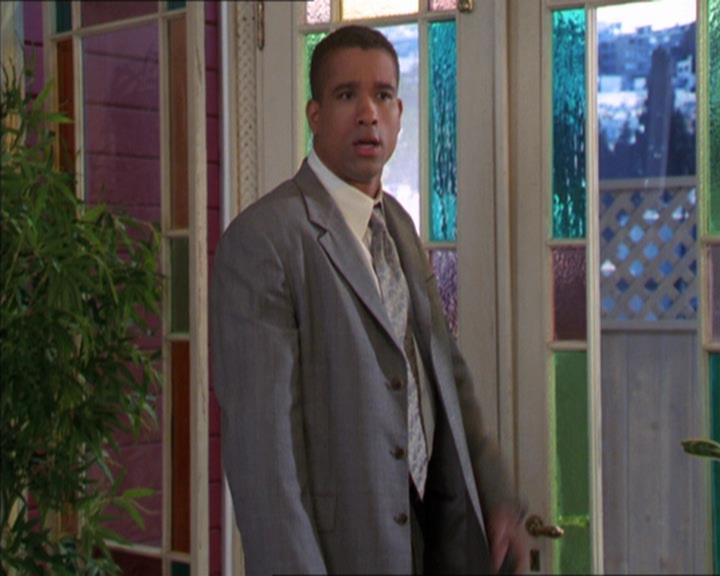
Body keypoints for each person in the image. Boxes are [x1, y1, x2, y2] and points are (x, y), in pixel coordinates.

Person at [211, 25, 528, 575]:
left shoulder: (398, 224)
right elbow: (266, 463)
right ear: (314, 115)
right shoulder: (265, 240)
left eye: (382, 95)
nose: (368, 114)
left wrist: (496, 493)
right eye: (346, 95)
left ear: (400, 113)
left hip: (439, 539)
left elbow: (447, 375)